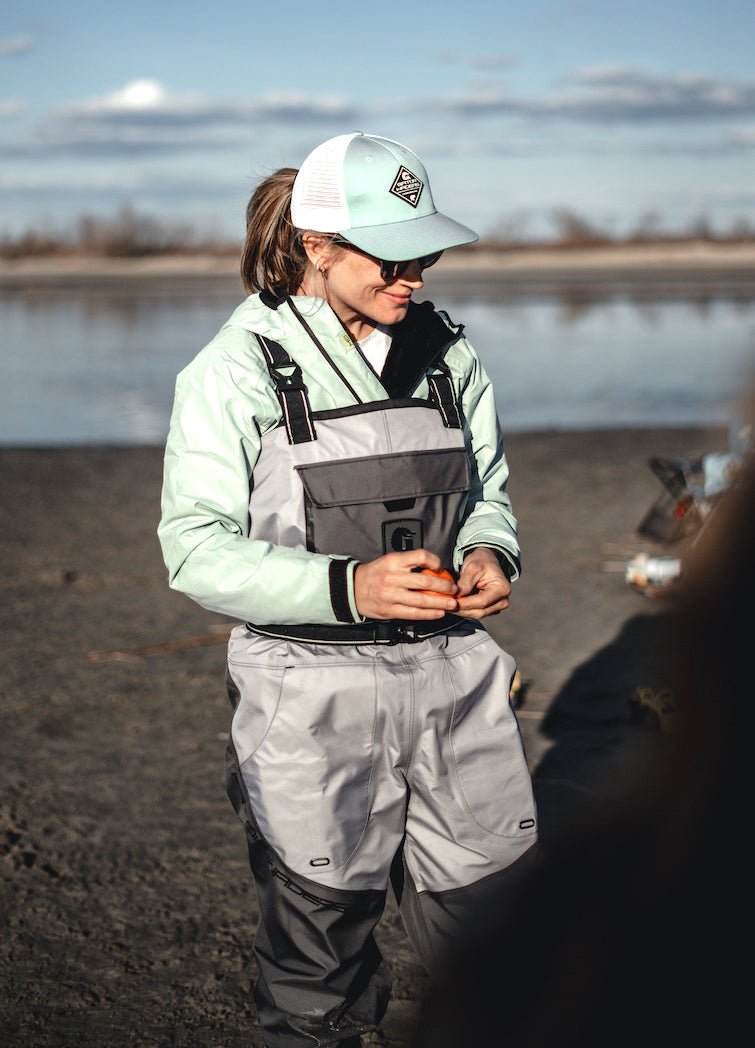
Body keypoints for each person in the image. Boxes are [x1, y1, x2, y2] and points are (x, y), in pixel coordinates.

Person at [158, 132, 537, 1048]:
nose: (413, 274)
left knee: (504, 944)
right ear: (317, 245)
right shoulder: (234, 369)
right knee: (316, 966)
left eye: (426, 252)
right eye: (391, 254)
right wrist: (348, 584)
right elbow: (194, 550)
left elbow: (489, 492)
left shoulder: (448, 354)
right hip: (307, 696)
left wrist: (491, 552)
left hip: (458, 687)